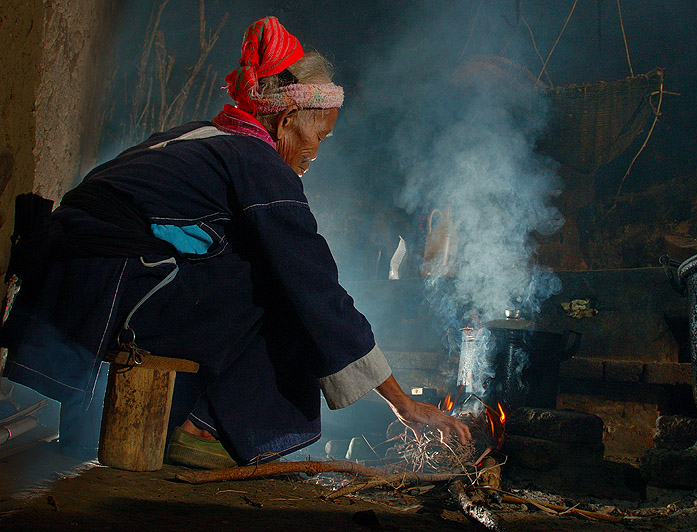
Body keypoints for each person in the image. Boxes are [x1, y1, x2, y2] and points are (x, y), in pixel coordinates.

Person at [0, 16, 469, 468]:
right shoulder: (258, 163)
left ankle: (171, 422)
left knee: (260, 271)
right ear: (286, 119)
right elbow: (317, 287)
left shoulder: (205, 137)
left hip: (72, 284)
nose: (316, 153)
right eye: (318, 135)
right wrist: (404, 403)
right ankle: (205, 428)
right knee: (290, 292)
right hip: (103, 287)